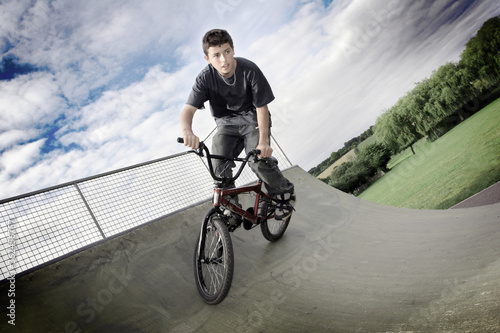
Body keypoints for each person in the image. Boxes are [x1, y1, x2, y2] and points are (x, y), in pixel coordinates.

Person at [180, 29, 295, 220]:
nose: (223, 60)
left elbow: (261, 108)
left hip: (253, 120)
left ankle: (284, 193)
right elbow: (187, 110)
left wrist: (264, 142)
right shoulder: (205, 78)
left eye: (226, 52)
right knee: (217, 164)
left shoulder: (249, 69)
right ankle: (232, 208)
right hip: (227, 126)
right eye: (216, 55)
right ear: (207, 58)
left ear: (233, 49)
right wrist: (187, 131)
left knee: (256, 159)